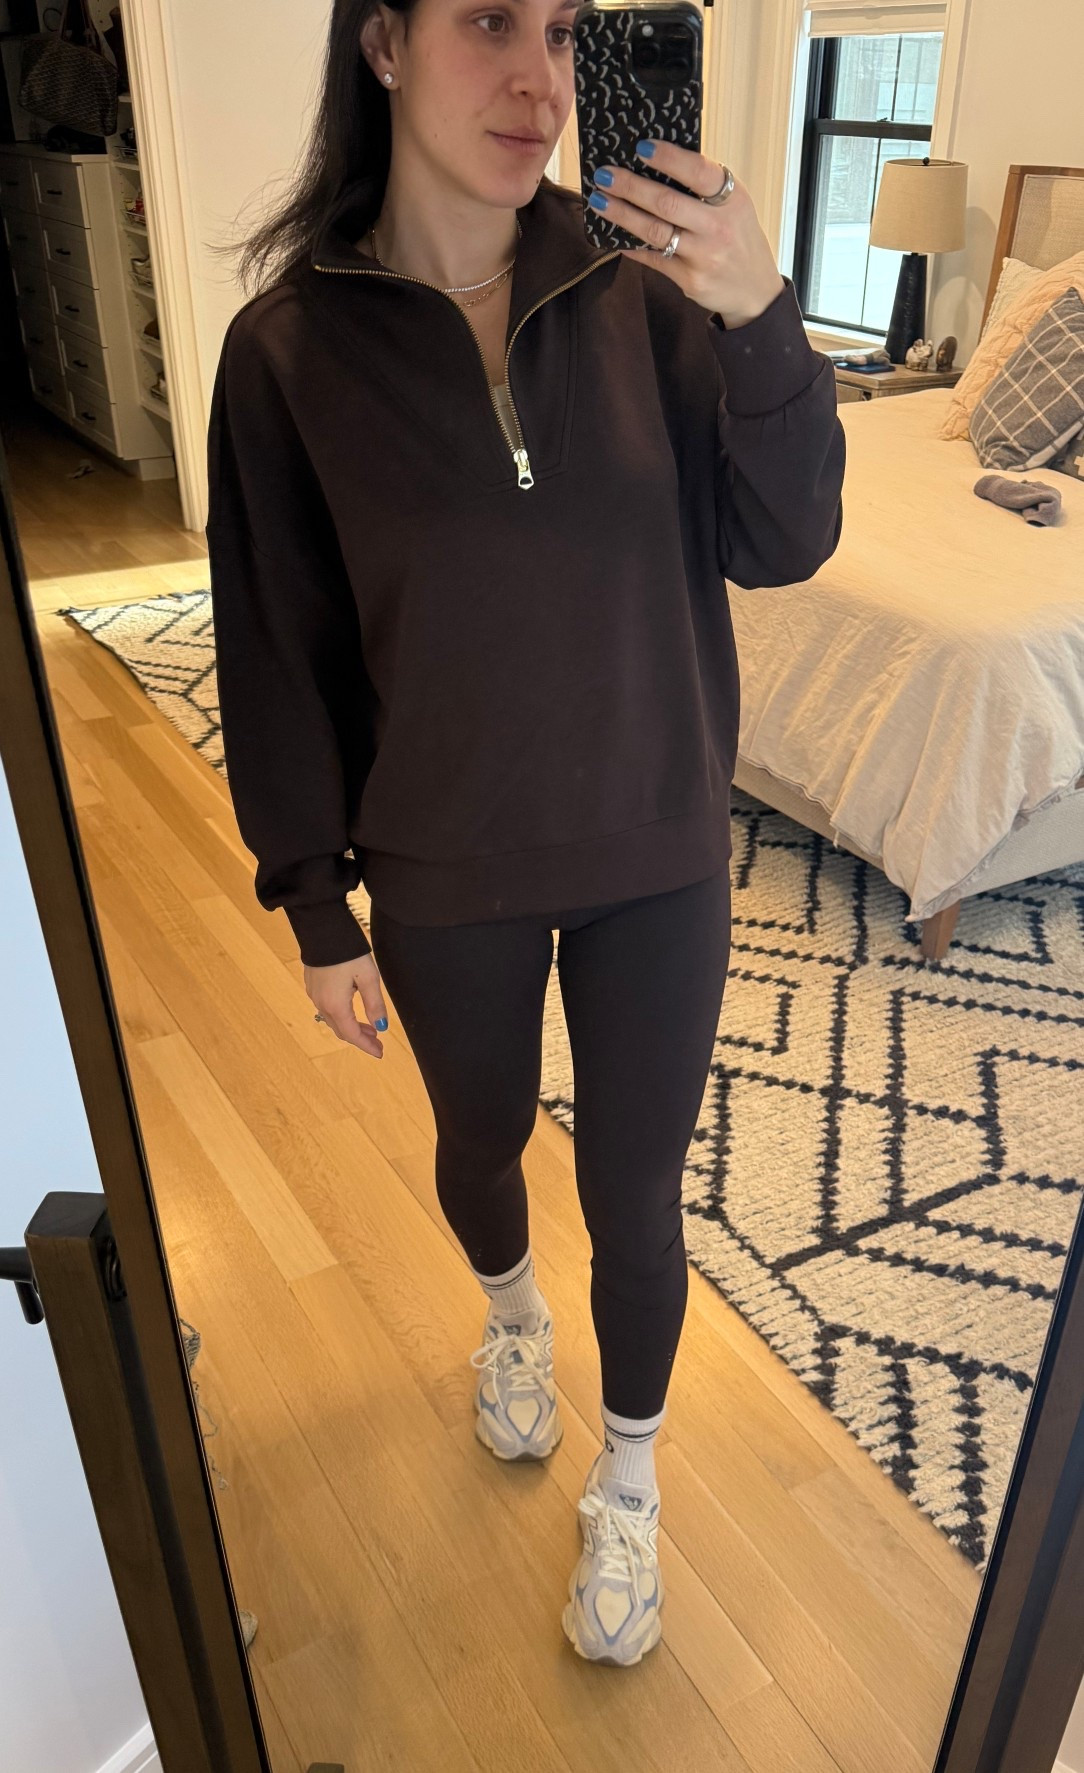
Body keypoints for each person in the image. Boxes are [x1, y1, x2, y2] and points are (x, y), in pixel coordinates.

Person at [205, 0, 845, 1669]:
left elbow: (787, 537)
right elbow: (277, 647)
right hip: (443, 864)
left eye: (562, 31)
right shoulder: (286, 354)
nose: (540, 80)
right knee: (480, 1139)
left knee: (638, 1192)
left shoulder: (656, 293)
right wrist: (315, 903)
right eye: (488, 20)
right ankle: (509, 1319)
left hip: (655, 847)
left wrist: (762, 314)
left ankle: (629, 1480)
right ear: (382, 46)